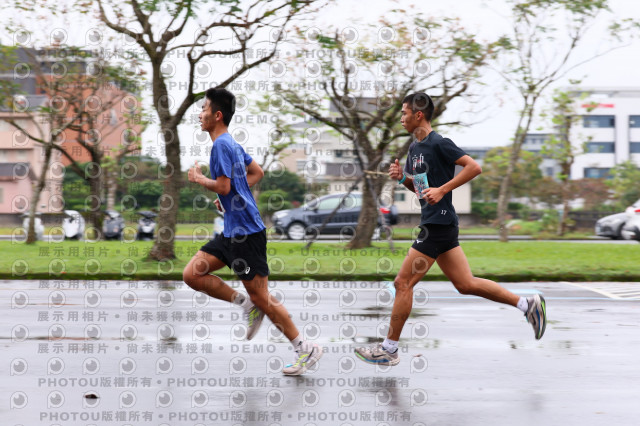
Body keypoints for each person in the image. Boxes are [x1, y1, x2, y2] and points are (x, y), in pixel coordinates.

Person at [355, 92, 547, 366]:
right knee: (465, 284)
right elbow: (420, 189)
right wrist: (401, 179)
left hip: (438, 223)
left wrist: (443, 189)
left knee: (402, 283)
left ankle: (389, 349)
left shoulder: (439, 143)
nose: (401, 118)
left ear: (418, 115)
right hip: (439, 222)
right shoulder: (414, 149)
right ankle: (527, 304)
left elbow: (473, 167)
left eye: (404, 113)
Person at [183, 87, 323, 375]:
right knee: (193, 274)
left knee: (263, 298)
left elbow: (223, 185)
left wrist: (200, 179)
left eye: (204, 109)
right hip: (232, 231)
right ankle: (245, 305)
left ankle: (305, 348)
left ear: (217, 115)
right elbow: (256, 173)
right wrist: (231, 196)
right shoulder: (231, 144)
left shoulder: (221, 146)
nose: (200, 114)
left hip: (246, 233)